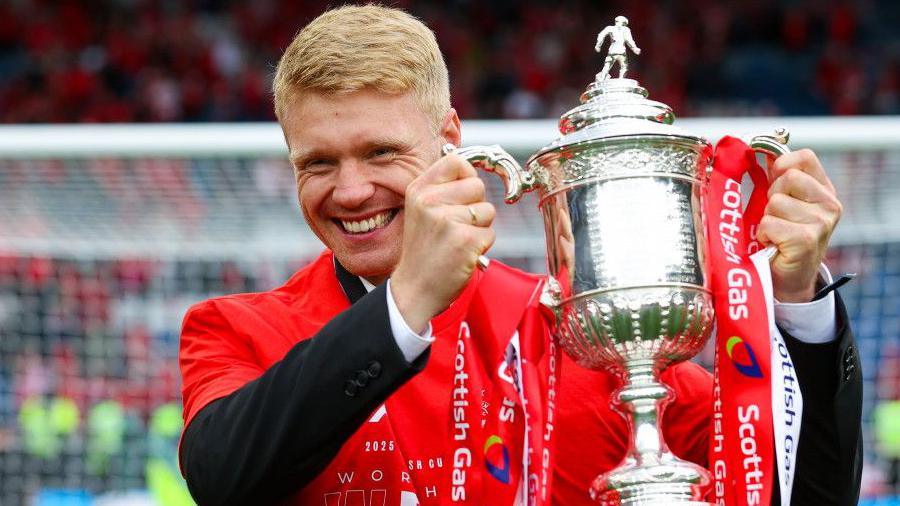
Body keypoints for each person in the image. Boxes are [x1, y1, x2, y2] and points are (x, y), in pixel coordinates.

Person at [177, 5, 862, 505]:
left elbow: (799, 489)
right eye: (317, 163)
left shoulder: (571, 329)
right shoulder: (234, 328)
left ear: (450, 136)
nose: (351, 190)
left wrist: (799, 305)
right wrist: (406, 303)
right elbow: (220, 476)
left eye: (381, 152)